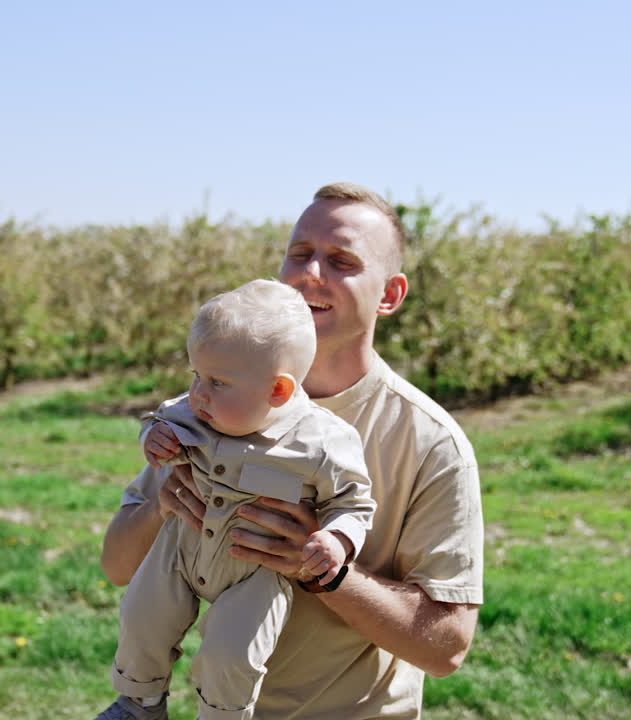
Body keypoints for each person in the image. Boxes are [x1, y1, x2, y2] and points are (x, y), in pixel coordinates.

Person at [103, 182, 483, 719]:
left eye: (342, 260)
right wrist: (164, 506)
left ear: (390, 295)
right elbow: (119, 568)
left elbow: (447, 646)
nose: (311, 274)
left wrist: (325, 571)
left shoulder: (428, 441)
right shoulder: (220, 399)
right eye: (300, 254)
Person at [95, 279, 375, 720]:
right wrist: (154, 438)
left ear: (277, 391)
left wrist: (336, 540)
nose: (198, 393)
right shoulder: (193, 411)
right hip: (181, 548)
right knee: (142, 616)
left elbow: (354, 503)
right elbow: (159, 419)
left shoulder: (321, 443)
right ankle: (139, 703)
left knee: (234, 653)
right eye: (195, 375)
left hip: (255, 568)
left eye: (217, 382)